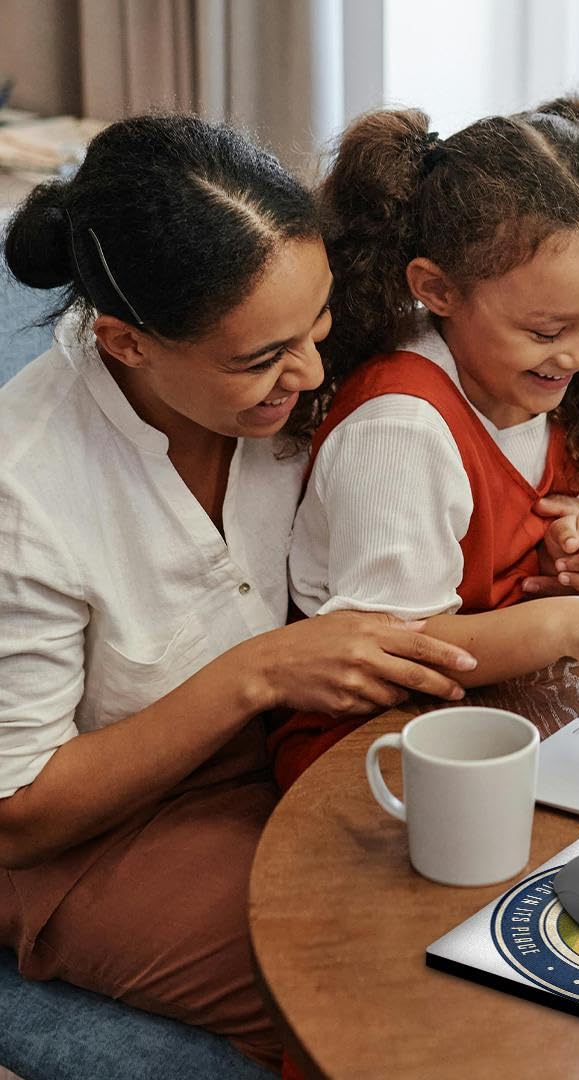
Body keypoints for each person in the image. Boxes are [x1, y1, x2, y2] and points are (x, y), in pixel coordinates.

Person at [0, 114, 478, 1070]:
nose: (311, 372)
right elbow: (18, 812)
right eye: (260, 359)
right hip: (93, 841)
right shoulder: (27, 491)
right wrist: (257, 673)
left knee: (499, 920)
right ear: (126, 344)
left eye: (318, 325)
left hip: (289, 761)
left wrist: (578, 525)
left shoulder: (293, 388)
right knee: (389, 995)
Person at [270, 93, 579, 794]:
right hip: (369, 749)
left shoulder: (524, 378)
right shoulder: (399, 430)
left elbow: (524, 521)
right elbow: (397, 649)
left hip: (496, 713)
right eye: (548, 331)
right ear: (437, 289)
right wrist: (565, 624)